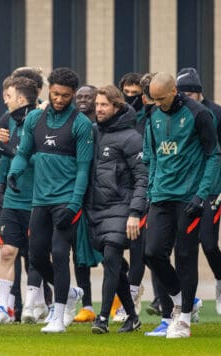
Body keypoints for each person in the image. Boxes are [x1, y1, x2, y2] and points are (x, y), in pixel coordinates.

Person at [8, 67, 93, 333]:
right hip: (40, 200)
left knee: (59, 253)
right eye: (55, 94)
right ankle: (68, 294)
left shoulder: (81, 124)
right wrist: (14, 171)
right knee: (36, 256)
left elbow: (83, 169)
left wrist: (75, 204)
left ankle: (58, 316)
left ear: (73, 94)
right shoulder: (34, 119)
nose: (59, 99)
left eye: (65, 95)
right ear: (49, 90)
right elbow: (23, 153)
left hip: (66, 200)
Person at [143, 72, 218, 339]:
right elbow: (150, 156)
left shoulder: (199, 114)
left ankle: (184, 320)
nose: (158, 103)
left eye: (162, 98)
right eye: (154, 99)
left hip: (190, 198)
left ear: (175, 91)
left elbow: (213, 154)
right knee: (151, 253)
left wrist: (202, 194)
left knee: (185, 257)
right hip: (161, 195)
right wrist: (151, 190)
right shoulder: (153, 115)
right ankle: (182, 300)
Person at [86, 85, 147, 334]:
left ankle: (102, 317)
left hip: (122, 208)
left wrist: (135, 213)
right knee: (115, 267)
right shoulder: (92, 132)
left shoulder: (131, 138)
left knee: (112, 258)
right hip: (96, 210)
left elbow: (143, 178)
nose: (98, 109)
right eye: (97, 105)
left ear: (116, 107)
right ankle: (132, 316)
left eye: (104, 105)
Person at [176, 67, 221, 315]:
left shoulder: (218, 114)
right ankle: (188, 303)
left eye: (190, 92)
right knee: (183, 249)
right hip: (185, 189)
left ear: (199, 92)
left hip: (211, 188)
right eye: (182, 93)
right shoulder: (175, 112)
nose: (186, 97)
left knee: (208, 243)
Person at [0, 76, 38, 324]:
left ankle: (35, 304)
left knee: (38, 255)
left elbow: (40, 159)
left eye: (9, 95)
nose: (4, 100)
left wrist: (11, 151)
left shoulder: (40, 121)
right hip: (11, 199)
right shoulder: (7, 121)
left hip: (37, 198)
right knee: (7, 252)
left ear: (20, 98)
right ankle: (5, 308)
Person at [72, 84, 99, 324]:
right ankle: (87, 305)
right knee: (79, 253)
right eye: (79, 96)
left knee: (108, 248)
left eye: (87, 96)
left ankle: (120, 301)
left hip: (101, 198)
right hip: (78, 196)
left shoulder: (102, 126)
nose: (82, 100)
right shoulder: (73, 124)